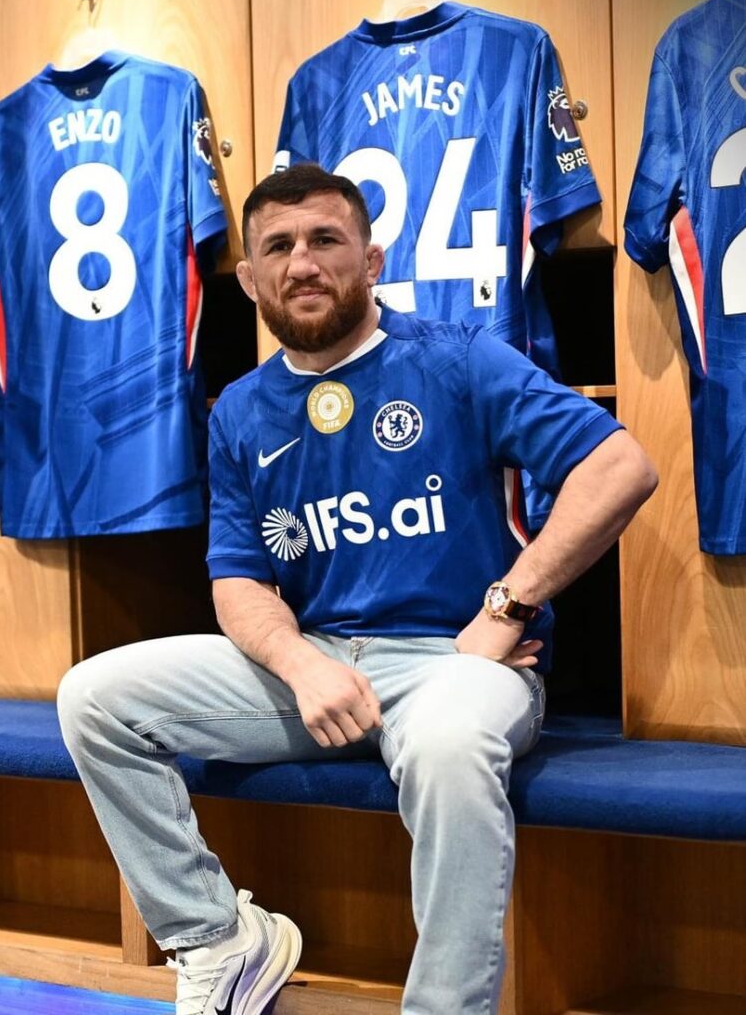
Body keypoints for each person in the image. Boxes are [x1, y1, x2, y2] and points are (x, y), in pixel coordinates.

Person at [57, 165, 657, 1015]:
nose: (303, 263)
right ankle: (218, 941)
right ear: (250, 278)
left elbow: (619, 466)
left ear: (371, 259)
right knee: (95, 697)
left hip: (453, 663)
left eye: (325, 240)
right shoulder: (238, 409)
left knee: (450, 745)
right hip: (317, 670)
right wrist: (302, 666)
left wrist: (507, 607)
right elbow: (238, 579)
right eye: (279, 247)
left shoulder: (455, 358)